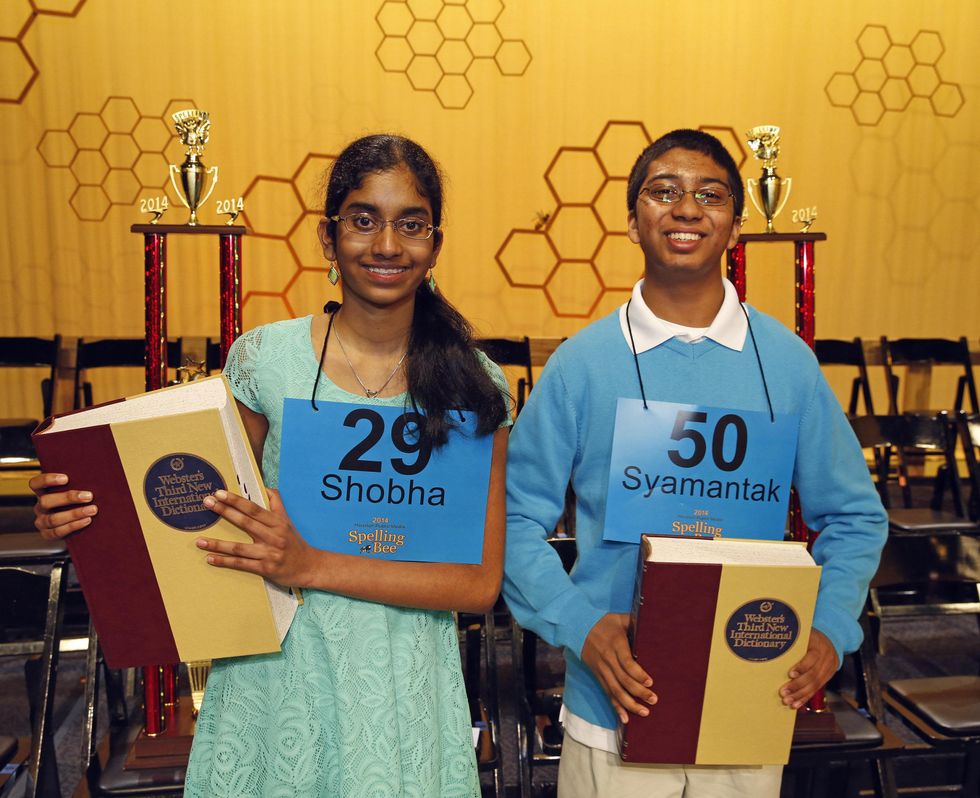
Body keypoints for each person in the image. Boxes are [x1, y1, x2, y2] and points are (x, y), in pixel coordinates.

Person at [31, 134, 511, 797]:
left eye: (411, 225)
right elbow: (197, 510)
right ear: (327, 236)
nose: (386, 246)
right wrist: (89, 513)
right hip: (281, 668)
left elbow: (478, 585)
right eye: (363, 220)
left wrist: (312, 564)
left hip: (401, 681)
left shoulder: (472, 384)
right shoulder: (266, 361)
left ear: (435, 242)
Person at [502, 129, 887, 797]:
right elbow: (508, 522)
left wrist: (829, 628)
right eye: (664, 192)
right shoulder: (581, 365)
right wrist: (578, 624)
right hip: (611, 704)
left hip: (750, 689)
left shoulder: (786, 363)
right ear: (632, 220)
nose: (686, 208)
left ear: (735, 226)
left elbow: (854, 516)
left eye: (709, 195)